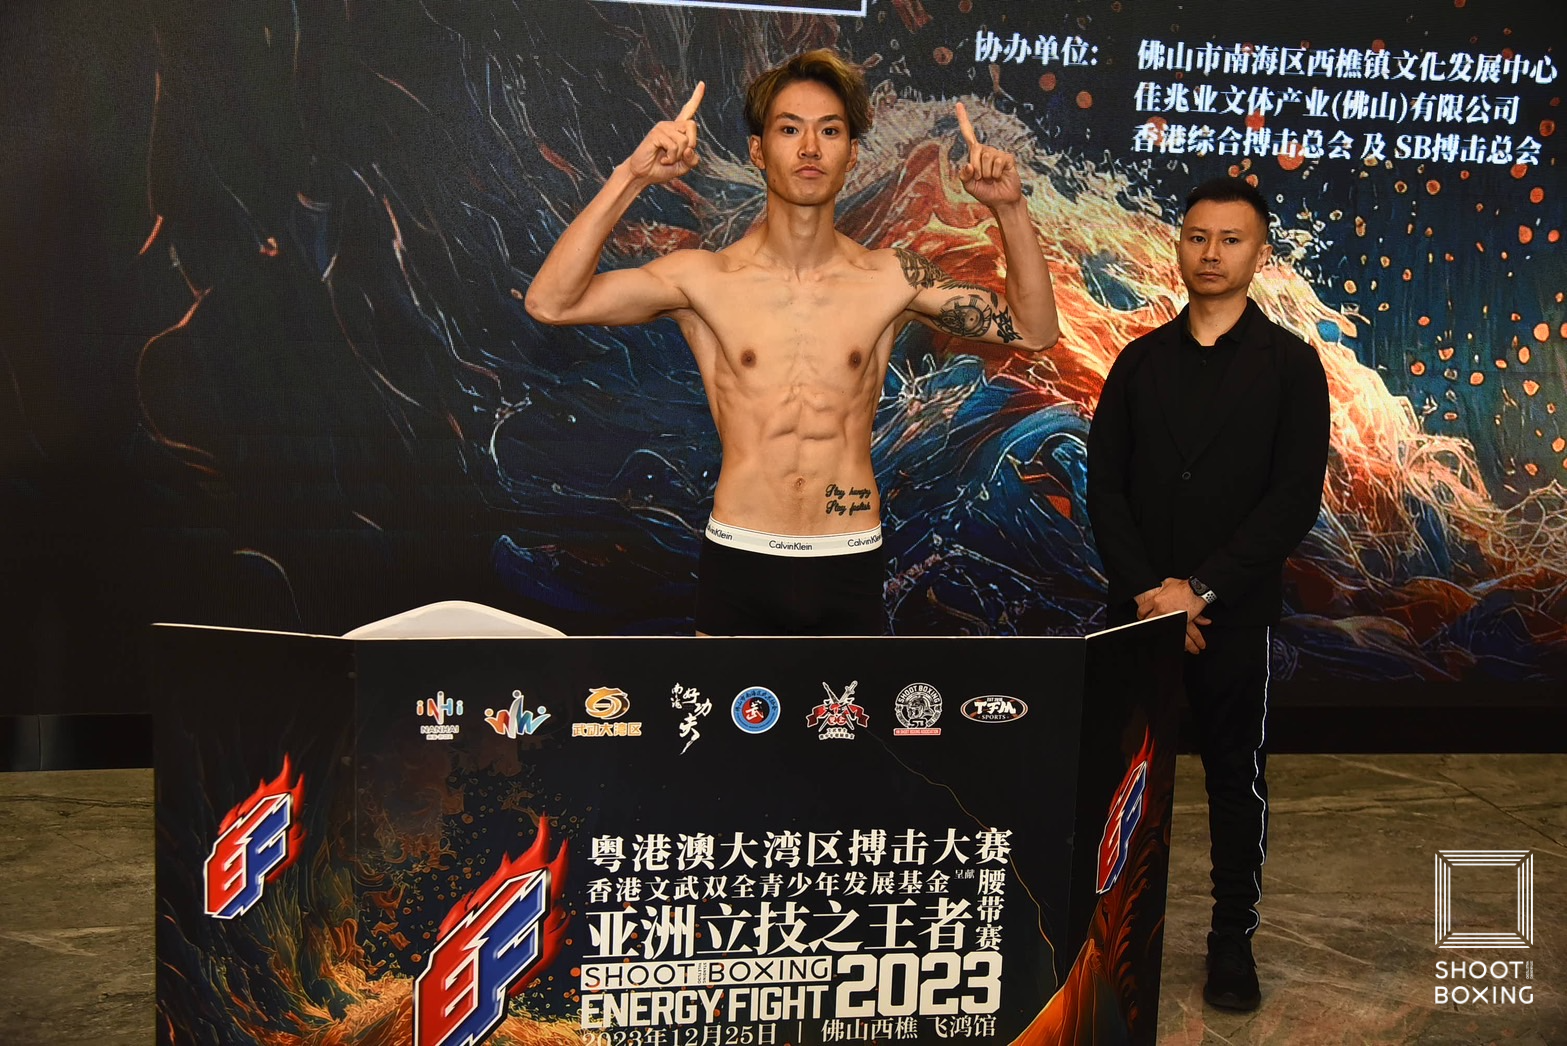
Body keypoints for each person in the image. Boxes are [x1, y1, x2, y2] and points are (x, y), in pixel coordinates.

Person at [525, 49, 1059, 635]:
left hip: (847, 557)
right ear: (758, 151)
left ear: (852, 155)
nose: (809, 148)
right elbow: (552, 302)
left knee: (850, 702)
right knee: (725, 702)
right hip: (741, 556)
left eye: (829, 131)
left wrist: (1009, 207)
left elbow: (1034, 330)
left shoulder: (892, 278)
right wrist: (633, 176)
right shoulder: (704, 279)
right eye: (789, 130)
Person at [1085, 176, 1331, 1011]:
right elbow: (1104, 489)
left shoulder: (1289, 366)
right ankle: (1105, 935)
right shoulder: (1138, 360)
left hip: (1231, 615)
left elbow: (1292, 499)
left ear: (1259, 253)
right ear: (1178, 246)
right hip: (1137, 617)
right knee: (1120, 779)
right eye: (1197, 237)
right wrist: (1148, 595)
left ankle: (1231, 941)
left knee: (1234, 778)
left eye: (1230, 239)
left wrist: (1199, 590)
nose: (1211, 253)